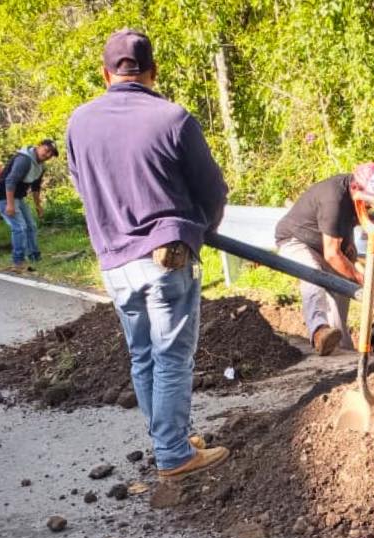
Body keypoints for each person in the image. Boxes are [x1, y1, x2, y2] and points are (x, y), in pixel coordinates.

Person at [66, 29, 230, 479]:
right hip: (166, 255)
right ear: (153, 72)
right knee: (172, 356)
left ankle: (167, 440)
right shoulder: (172, 117)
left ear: (105, 74)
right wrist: (203, 229)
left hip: (114, 259)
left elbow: (82, 186)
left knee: (143, 355)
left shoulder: (78, 122)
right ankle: (175, 454)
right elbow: (213, 191)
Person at [275, 164, 374, 355]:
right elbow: (332, 254)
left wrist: (359, 273)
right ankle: (319, 332)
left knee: (343, 283)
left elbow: (344, 253)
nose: (370, 206)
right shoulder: (333, 200)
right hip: (295, 240)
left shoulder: (359, 196)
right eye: (368, 201)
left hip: (325, 244)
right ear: (355, 189)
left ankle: (341, 347)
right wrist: (363, 280)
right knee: (313, 273)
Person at [0, 138, 58, 271]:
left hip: (19, 197)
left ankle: (34, 256)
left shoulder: (41, 166)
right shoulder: (24, 159)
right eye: (47, 150)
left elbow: (36, 187)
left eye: (51, 154)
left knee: (31, 225)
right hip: (4, 196)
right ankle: (18, 262)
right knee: (20, 227)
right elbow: (10, 181)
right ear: (39, 146)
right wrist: (9, 205)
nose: (48, 155)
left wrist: (38, 206)